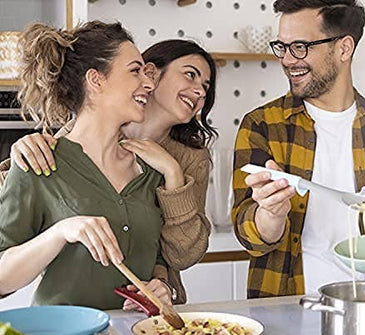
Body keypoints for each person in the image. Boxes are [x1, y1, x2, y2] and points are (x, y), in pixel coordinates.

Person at [0, 39, 217, 305]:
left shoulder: (158, 170)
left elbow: (165, 252)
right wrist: (20, 150)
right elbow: (39, 183)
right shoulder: (52, 152)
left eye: (206, 86)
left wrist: (162, 284)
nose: (200, 92)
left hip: (143, 331)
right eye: (190, 75)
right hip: (67, 331)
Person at [232, 0, 365, 298]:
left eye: (301, 46)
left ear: (344, 48)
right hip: (289, 304)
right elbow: (250, 236)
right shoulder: (262, 125)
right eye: (283, 46)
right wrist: (271, 215)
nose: (288, 60)